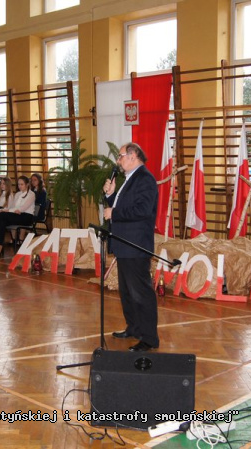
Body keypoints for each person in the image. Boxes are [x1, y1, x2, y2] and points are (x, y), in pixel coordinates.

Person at [102, 142, 159, 352]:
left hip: (136, 245)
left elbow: (142, 210)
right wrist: (110, 195)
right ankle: (134, 328)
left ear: (133, 155)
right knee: (127, 292)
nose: (118, 160)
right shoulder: (130, 179)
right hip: (124, 244)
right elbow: (122, 206)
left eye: (121, 156)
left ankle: (149, 338)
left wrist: (114, 213)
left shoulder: (145, 179)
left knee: (141, 293)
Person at [0, 176, 35, 257]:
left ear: (27, 184)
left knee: (2, 215)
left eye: (22, 184)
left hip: (27, 217)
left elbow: (22, 209)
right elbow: (14, 207)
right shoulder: (17, 194)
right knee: (2, 221)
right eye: (18, 184)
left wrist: (7, 210)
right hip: (17, 215)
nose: (19, 186)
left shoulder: (31, 194)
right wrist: (6, 210)